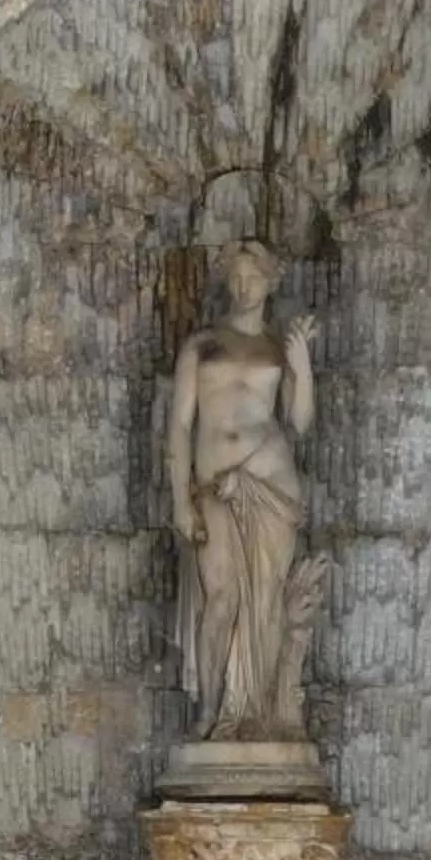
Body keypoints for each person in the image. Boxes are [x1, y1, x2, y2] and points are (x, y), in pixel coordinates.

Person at [165, 240, 329, 742]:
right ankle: (209, 714)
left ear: (271, 281)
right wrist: (178, 499)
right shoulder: (201, 345)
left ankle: (263, 715)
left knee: (267, 599)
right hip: (214, 488)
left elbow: (299, 423)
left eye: (253, 277)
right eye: (235, 277)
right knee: (221, 598)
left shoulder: (279, 348)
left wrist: (301, 367)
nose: (243, 286)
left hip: (271, 486)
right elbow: (178, 425)